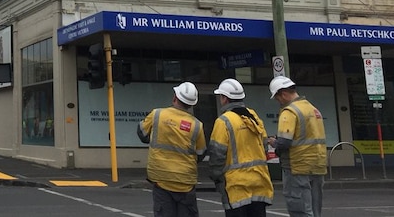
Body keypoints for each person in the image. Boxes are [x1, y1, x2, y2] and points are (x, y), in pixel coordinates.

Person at [138, 82, 206, 217]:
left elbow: (142, 133)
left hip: (162, 180)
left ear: (175, 97)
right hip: (186, 183)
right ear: (192, 104)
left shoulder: (157, 115)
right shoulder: (197, 125)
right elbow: (201, 153)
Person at [209, 78, 274, 216]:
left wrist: (216, 178)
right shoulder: (253, 117)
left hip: (235, 187)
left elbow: (216, 156)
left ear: (224, 98)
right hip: (259, 182)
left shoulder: (223, 121)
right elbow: (264, 147)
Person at [267, 76, 326, 217]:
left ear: (284, 94)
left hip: (297, 166)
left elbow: (284, 142)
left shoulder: (289, 112)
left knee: (299, 209)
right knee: (314, 209)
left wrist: (273, 142)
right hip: (317, 165)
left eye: (277, 97)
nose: (278, 101)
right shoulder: (312, 109)